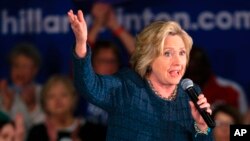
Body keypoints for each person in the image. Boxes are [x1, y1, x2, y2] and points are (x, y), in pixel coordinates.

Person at [68, 9, 213, 141]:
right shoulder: (126, 86)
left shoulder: (191, 94)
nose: (177, 62)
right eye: (167, 53)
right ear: (149, 58)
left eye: (182, 53)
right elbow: (88, 86)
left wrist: (201, 127)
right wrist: (81, 44)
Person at [27, 75, 106, 141]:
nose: (58, 100)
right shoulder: (37, 133)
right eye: (51, 96)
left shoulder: (94, 131)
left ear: (74, 98)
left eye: (63, 95)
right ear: (44, 103)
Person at [184, 47, 248, 113]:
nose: (195, 73)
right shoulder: (175, 92)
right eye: (191, 71)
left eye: (199, 69)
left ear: (207, 66)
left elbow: (243, 120)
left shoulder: (232, 90)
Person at [0, 42, 45, 130]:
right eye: (16, 65)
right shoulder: (4, 92)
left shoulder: (43, 92)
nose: (19, 71)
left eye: (24, 66)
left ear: (35, 70)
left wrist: (32, 106)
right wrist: (6, 107)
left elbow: (47, 130)